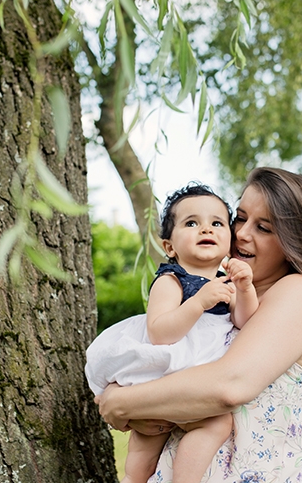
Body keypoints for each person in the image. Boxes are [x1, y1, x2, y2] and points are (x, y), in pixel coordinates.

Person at [95, 167, 302, 482]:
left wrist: (121, 401)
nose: (241, 233)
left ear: (294, 242)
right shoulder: (221, 292)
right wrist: (142, 406)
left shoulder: (298, 293)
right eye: (240, 218)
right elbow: (174, 363)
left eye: (264, 227)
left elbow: (228, 384)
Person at [85, 183, 260, 483]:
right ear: (169, 247)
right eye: (192, 223)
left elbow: (246, 322)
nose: (206, 229)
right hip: (163, 375)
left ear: (229, 239)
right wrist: (199, 302)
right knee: (143, 452)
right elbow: (159, 332)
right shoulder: (171, 281)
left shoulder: (227, 281)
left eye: (217, 223)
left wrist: (245, 289)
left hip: (195, 384)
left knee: (218, 424)